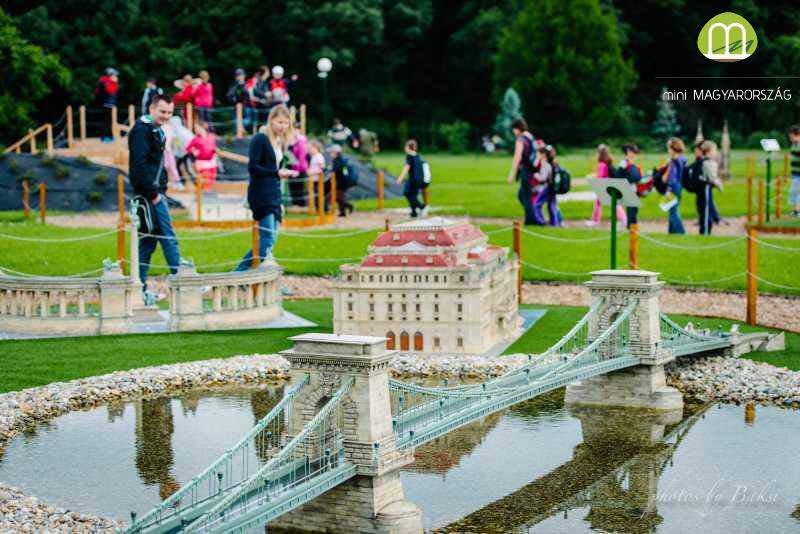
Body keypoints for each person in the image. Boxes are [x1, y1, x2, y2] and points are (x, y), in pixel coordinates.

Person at [128, 94, 181, 302]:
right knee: (168, 236)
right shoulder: (142, 130)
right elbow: (138, 166)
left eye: (169, 112)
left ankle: (138, 288)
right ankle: (183, 281)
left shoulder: (154, 129)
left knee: (148, 243)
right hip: (151, 194)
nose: (166, 116)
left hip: (154, 191)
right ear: (152, 108)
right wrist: (154, 194)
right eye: (162, 111)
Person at [235, 105, 297, 270]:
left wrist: (279, 176)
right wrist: (277, 173)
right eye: (279, 122)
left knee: (271, 239)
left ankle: (247, 274)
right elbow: (253, 167)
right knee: (267, 239)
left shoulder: (278, 141)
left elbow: (274, 171)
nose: (282, 126)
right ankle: (239, 274)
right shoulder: (261, 139)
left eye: (286, 123)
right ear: (271, 120)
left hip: (274, 194)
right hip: (261, 194)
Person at [505, 118, 536, 225]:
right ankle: (533, 215)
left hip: (525, 171)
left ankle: (531, 220)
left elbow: (517, 157)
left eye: (513, 129)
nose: (513, 132)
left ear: (517, 128)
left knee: (525, 195)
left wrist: (511, 174)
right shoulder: (530, 136)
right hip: (532, 170)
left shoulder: (520, 139)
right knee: (523, 195)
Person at [589, 144, 627, 226]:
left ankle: (596, 221)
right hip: (611, 185)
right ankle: (624, 221)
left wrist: (592, 177)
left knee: (602, 203)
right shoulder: (608, 162)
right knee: (614, 204)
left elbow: (601, 177)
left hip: (605, 186)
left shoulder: (602, 164)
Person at [660, 138, 687, 234]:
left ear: (673, 148)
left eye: (669, 147)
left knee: (673, 211)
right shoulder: (682, 158)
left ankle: (681, 232)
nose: (668, 149)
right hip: (678, 186)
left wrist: (668, 189)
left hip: (673, 186)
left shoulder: (674, 159)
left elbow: (669, 177)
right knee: (672, 208)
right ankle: (671, 233)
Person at [396, 139, 427, 218]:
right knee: (413, 195)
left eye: (406, 146)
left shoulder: (409, 156)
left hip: (413, 180)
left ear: (408, 147)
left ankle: (422, 207)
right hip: (419, 180)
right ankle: (414, 213)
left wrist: (400, 178)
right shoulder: (417, 155)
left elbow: (406, 168)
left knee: (407, 193)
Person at [696, 140, 722, 235]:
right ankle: (706, 231)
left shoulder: (701, 161)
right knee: (706, 210)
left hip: (701, 190)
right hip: (706, 189)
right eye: (714, 150)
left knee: (704, 209)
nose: (716, 152)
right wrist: (719, 185)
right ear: (708, 151)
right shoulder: (708, 163)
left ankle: (705, 228)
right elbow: (712, 178)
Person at [185, 122, 218, 191]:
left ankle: (207, 195)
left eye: (197, 128)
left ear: (203, 127)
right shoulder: (195, 139)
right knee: (205, 180)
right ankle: (203, 196)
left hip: (212, 162)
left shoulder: (212, 136)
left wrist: (215, 151)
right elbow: (187, 148)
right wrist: (193, 151)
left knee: (211, 179)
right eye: (194, 128)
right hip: (202, 163)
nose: (195, 130)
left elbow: (214, 146)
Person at [531, 145, 559, 226]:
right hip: (553, 187)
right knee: (552, 205)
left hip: (547, 187)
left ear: (543, 154)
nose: (537, 155)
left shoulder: (545, 164)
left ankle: (541, 222)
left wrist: (535, 175)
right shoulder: (552, 162)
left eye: (538, 154)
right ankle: (555, 223)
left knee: (537, 205)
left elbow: (542, 178)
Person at [617, 144, 643, 228]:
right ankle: (632, 227)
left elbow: (637, 177)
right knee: (631, 210)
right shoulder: (624, 163)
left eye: (635, 153)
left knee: (634, 209)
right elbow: (618, 176)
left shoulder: (633, 164)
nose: (635, 155)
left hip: (634, 189)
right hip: (628, 189)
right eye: (633, 152)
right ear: (628, 152)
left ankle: (632, 226)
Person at [328, 145, 356, 216]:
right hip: (342, 181)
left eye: (331, 152)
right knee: (339, 196)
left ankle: (348, 207)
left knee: (338, 195)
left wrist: (333, 172)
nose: (330, 154)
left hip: (345, 181)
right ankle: (343, 211)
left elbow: (343, 172)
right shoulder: (337, 160)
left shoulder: (341, 161)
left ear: (336, 152)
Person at [94, 67, 119, 142]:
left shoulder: (104, 81)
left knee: (108, 121)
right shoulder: (106, 82)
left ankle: (109, 136)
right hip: (107, 104)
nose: (115, 77)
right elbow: (111, 91)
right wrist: (114, 82)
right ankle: (105, 137)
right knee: (107, 122)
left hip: (108, 104)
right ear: (110, 75)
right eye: (114, 75)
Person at [288, 124, 309, 206]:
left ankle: (301, 206)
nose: (294, 131)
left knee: (299, 189)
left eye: (295, 129)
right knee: (293, 188)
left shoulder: (301, 140)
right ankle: (295, 205)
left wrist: (297, 170)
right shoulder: (292, 140)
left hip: (299, 169)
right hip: (292, 168)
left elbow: (302, 157)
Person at [789, 125, 800, 217]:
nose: (790, 138)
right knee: (794, 192)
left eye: (791, 136)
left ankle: (797, 211)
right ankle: (796, 211)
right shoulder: (794, 145)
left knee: (795, 192)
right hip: (795, 173)